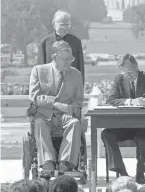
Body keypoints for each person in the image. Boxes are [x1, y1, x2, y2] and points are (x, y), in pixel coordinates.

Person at [102, 54, 145, 184]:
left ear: (137, 67)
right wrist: (130, 101)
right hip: (123, 125)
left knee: (143, 136)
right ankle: (122, 173)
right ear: (121, 70)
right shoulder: (118, 80)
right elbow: (111, 99)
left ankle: (140, 172)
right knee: (106, 134)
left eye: (132, 70)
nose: (129, 74)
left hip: (144, 125)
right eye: (125, 71)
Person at [29, 41, 84, 173]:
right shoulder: (38, 71)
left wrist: (71, 109)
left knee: (75, 123)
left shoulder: (76, 74)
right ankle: (48, 162)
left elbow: (79, 100)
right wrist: (56, 104)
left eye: (71, 59)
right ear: (54, 57)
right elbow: (34, 97)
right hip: (45, 115)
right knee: (39, 123)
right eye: (65, 59)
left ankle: (65, 162)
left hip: (66, 116)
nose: (68, 62)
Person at [37, 10, 85, 84]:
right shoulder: (44, 43)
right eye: (62, 25)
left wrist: (80, 89)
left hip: (71, 87)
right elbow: (40, 70)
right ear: (54, 24)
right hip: (50, 87)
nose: (65, 28)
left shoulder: (76, 42)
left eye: (68, 25)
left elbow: (80, 68)